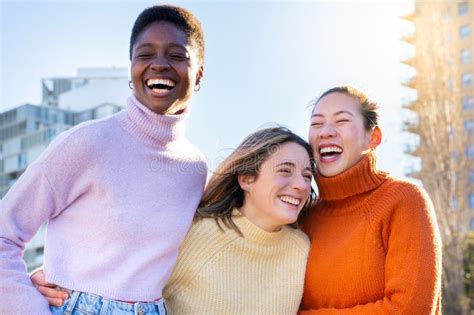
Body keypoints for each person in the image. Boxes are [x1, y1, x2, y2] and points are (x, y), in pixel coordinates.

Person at [0, 5, 207, 314]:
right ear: (131, 68)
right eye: (145, 54)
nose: (159, 65)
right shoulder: (86, 142)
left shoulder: (196, 169)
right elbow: (4, 233)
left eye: (177, 55)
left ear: (199, 73)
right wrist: (29, 305)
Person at [33, 127, 315, 314]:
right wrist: (56, 277)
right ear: (246, 179)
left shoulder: (301, 247)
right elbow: (122, 276)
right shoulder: (199, 234)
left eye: (306, 175)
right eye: (285, 171)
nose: (300, 185)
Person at [299, 85, 442, 314]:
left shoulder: (404, 200)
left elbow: (410, 309)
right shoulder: (301, 217)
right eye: (316, 123)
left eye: (341, 121)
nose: (325, 131)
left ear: (373, 137)